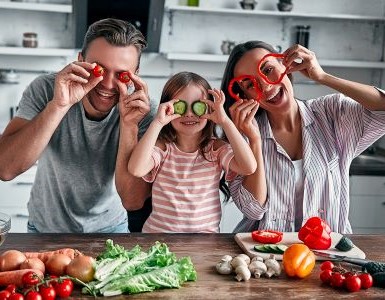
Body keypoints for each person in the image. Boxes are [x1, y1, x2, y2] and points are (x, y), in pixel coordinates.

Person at [0, 18, 157, 233]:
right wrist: (58, 105)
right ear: (80, 60)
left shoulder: (142, 110)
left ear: (135, 74)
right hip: (45, 230)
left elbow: (133, 201)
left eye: (121, 75)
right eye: (99, 70)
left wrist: (129, 125)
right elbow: (5, 169)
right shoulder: (46, 89)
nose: (108, 85)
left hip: (111, 230)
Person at [221, 41, 385, 234]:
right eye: (250, 84)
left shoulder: (331, 113)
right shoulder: (242, 138)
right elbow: (253, 210)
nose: (265, 86)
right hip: (264, 255)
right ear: (244, 95)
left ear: (285, 65)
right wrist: (255, 141)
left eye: (268, 70)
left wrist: (322, 77)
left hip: (328, 252)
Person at [127, 71, 258, 233]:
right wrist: (158, 122)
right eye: (180, 106)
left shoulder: (215, 149)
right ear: (167, 108)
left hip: (204, 241)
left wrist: (225, 121)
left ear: (210, 109)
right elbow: (136, 168)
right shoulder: (163, 148)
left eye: (198, 106)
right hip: (158, 238)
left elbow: (249, 167)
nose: (189, 113)